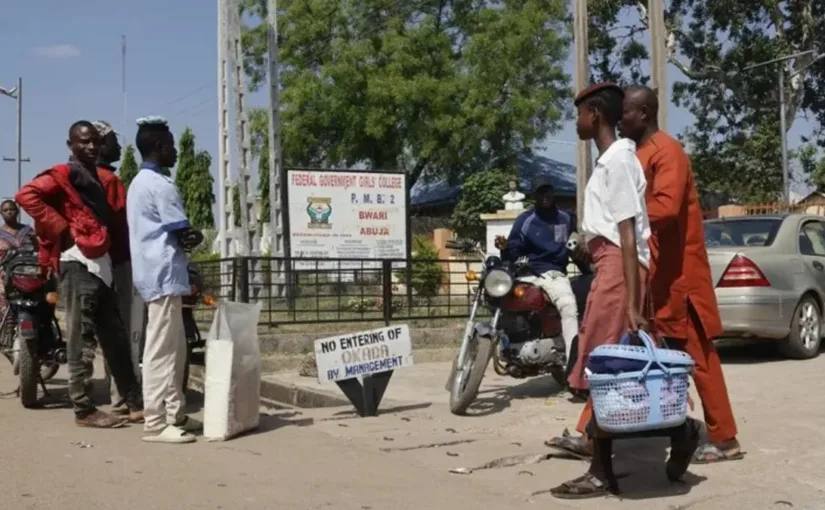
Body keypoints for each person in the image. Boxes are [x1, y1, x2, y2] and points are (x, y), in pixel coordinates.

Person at [548, 83, 698, 499]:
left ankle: (604, 470)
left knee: (606, 370)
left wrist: (631, 303)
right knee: (617, 372)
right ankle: (677, 433)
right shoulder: (614, 161)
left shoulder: (617, 162)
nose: (576, 122)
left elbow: (629, 234)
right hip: (613, 266)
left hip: (620, 268)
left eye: (579, 113)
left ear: (594, 114)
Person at [619, 85, 742, 464]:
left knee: (697, 357)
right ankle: (598, 434)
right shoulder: (639, 154)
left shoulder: (666, 152)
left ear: (642, 113)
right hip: (656, 276)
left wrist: (620, 217)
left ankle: (724, 439)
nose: (620, 118)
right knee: (630, 352)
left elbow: (667, 209)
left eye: (625, 112)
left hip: (679, 279)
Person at [15, 120, 143, 428]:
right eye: (83, 141)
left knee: (115, 337)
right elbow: (26, 196)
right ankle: (83, 409)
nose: (91, 146)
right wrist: (63, 227)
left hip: (101, 265)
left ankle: (135, 402)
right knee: (80, 338)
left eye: (95, 141)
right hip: (77, 264)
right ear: (70, 144)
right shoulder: (65, 172)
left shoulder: (96, 177)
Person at [127, 116, 202, 444]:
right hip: (163, 275)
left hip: (156, 274)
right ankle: (156, 423)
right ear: (159, 147)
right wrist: (193, 234)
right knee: (161, 350)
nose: (175, 152)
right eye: (171, 146)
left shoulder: (137, 183)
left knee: (175, 349)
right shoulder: (160, 185)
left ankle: (175, 413)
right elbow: (182, 230)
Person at [494, 177, 578, 363]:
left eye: (547, 191)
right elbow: (513, 251)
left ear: (553, 193)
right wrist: (505, 247)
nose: (545, 196)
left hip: (555, 274)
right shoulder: (525, 220)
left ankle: (574, 364)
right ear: (534, 196)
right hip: (529, 273)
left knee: (568, 306)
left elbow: (576, 245)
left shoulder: (566, 218)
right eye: (540, 192)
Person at [90, 120, 137, 417]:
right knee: (120, 329)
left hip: (92, 263)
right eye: (114, 142)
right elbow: (120, 225)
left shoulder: (81, 177)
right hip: (116, 260)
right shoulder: (109, 181)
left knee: (102, 327)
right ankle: (122, 396)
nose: (120, 147)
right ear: (102, 145)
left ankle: (109, 392)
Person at [0, 200, 37, 348]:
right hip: (4, 273)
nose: (9, 212)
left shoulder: (28, 231)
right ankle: (7, 330)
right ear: (1, 214)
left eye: (12, 209)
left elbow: (39, 249)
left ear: (18, 211)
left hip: (28, 272)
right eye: (5, 210)